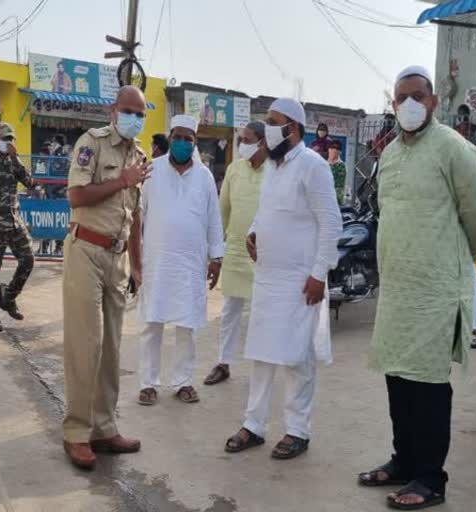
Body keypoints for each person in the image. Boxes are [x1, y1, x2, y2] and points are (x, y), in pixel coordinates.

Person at [359, 66, 476, 511]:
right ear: (393, 106)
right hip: (396, 289)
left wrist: (452, 265)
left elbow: (475, 220)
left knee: (428, 384)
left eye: (418, 95)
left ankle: (431, 477)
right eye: (402, 98)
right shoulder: (390, 154)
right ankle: (404, 460)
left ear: (433, 102)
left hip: (435, 289)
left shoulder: (456, 149)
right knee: (398, 377)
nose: (410, 104)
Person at [224, 98, 341, 460]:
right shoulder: (274, 167)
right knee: (261, 353)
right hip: (268, 278)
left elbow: (330, 223)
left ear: (295, 129)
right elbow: (268, 210)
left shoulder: (313, 166)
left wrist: (319, 274)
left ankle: (297, 430)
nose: (268, 128)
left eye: (274, 122)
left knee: (296, 357)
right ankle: (254, 424)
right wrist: (255, 231)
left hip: (299, 280)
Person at [62, 85, 149, 470]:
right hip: (85, 251)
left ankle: (104, 427)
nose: (134, 118)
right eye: (128, 110)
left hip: (117, 259)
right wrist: (122, 180)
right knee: (87, 344)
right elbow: (77, 196)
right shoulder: (91, 143)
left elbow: (135, 218)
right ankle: (76, 433)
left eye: (141, 113)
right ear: (114, 110)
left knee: (112, 346)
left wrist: (138, 265)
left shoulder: (140, 155)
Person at [136, 114, 224, 406]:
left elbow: (213, 219)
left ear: (195, 143)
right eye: (178, 137)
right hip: (156, 261)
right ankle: (148, 384)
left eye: (189, 138)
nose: (183, 142)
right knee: (152, 322)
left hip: (191, 263)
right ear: (170, 138)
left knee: (187, 325)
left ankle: (183, 382)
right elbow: (139, 216)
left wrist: (217, 256)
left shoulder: (205, 176)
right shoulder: (151, 171)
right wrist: (134, 261)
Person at [204, 121, 268, 386]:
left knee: (262, 313)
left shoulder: (275, 171)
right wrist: (216, 253)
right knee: (230, 310)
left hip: (263, 255)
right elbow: (222, 211)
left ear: (263, 142)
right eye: (241, 139)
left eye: (247, 139)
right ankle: (223, 363)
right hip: (234, 251)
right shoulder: (233, 169)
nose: (242, 144)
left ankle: (263, 368)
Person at [0, 121, 34, 332]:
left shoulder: (14, 161)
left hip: (14, 221)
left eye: (11, 139)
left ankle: (9, 297)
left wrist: (15, 158)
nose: (9, 142)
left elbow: (30, 182)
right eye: (5, 139)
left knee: (28, 260)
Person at [327, 140, 347, 205]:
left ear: (340, 152)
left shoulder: (341, 166)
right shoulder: (324, 163)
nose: (334, 150)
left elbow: (339, 185)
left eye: (337, 149)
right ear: (329, 149)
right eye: (332, 148)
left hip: (336, 200)